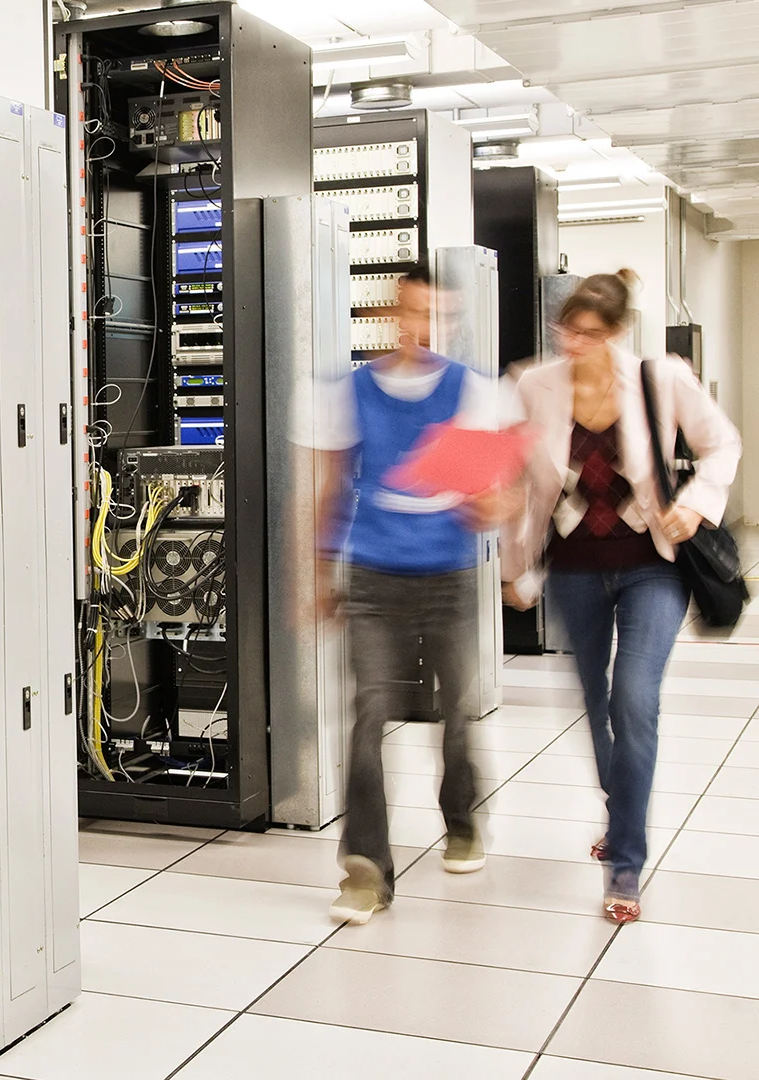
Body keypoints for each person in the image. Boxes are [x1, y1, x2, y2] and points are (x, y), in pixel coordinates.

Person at [502, 271, 741, 924]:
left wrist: (695, 505)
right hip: (575, 569)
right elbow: (518, 481)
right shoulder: (534, 385)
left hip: (651, 567)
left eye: (590, 334)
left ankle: (626, 861)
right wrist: (513, 568)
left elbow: (724, 443)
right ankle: (623, 806)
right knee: (597, 700)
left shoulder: (659, 379)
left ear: (616, 333)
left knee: (634, 698)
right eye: (567, 330)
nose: (574, 343)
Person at [311, 267, 517, 926]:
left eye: (435, 316)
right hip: (373, 575)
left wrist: (492, 507)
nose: (421, 328)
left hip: (447, 576)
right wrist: (318, 570)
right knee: (368, 713)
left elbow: (502, 491)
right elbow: (331, 485)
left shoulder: (473, 392)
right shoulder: (352, 392)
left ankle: (462, 819)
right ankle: (365, 869)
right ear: (391, 315)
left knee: (456, 710)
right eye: (411, 313)